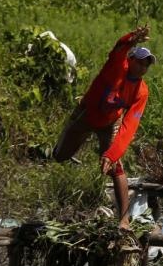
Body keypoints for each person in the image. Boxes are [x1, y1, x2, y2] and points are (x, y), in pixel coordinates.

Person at [53, 26, 154, 229]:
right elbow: (117, 50)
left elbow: (130, 125)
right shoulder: (115, 68)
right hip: (86, 116)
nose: (143, 67)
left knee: (116, 166)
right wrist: (130, 39)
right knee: (60, 156)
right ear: (130, 60)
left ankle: (124, 220)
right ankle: (76, 144)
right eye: (140, 62)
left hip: (110, 123)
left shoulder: (141, 91)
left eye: (147, 64)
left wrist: (112, 153)